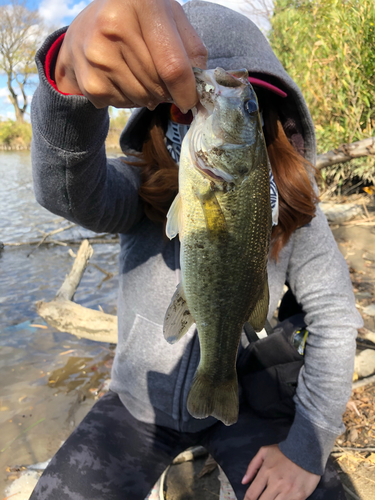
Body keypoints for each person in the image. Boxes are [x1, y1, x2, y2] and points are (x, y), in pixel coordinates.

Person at [30, 1, 362, 499]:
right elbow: (63, 189)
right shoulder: (137, 188)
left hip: (243, 401)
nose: (211, 97)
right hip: (137, 407)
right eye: (184, 99)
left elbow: (337, 317)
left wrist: (305, 449)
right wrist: (67, 82)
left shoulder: (294, 211)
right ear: (160, 115)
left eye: (250, 103)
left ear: (273, 122)